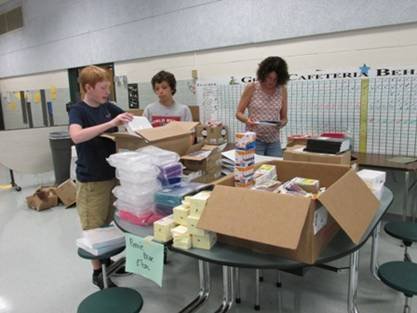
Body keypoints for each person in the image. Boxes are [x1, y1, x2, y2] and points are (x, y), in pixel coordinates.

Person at [68, 65, 133, 289]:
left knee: (106, 224)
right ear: (88, 88)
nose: (107, 92)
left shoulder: (108, 107)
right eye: (103, 87)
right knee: (93, 227)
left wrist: (129, 121)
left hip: (110, 176)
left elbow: (125, 117)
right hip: (91, 181)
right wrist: (110, 123)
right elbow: (76, 136)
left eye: (108, 87)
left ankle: (107, 262)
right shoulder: (78, 110)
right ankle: (97, 272)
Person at [236, 56, 289, 157]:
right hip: (253, 139)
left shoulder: (282, 89)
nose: (271, 82)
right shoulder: (252, 87)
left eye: (275, 79)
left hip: (274, 141)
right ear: (263, 73)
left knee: (275, 169)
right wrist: (247, 120)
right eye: (269, 77)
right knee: (254, 169)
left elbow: (284, 118)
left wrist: (281, 123)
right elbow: (238, 113)